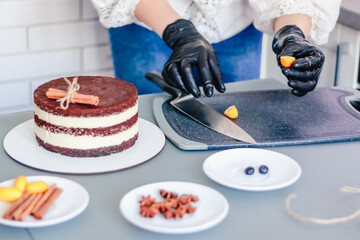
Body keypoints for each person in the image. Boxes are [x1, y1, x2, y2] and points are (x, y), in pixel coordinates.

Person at [91, 0, 341, 97]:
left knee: (236, 124)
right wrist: (178, 32)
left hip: (236, 23)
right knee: (148, 124)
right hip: (145, 20)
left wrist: (291, 32)